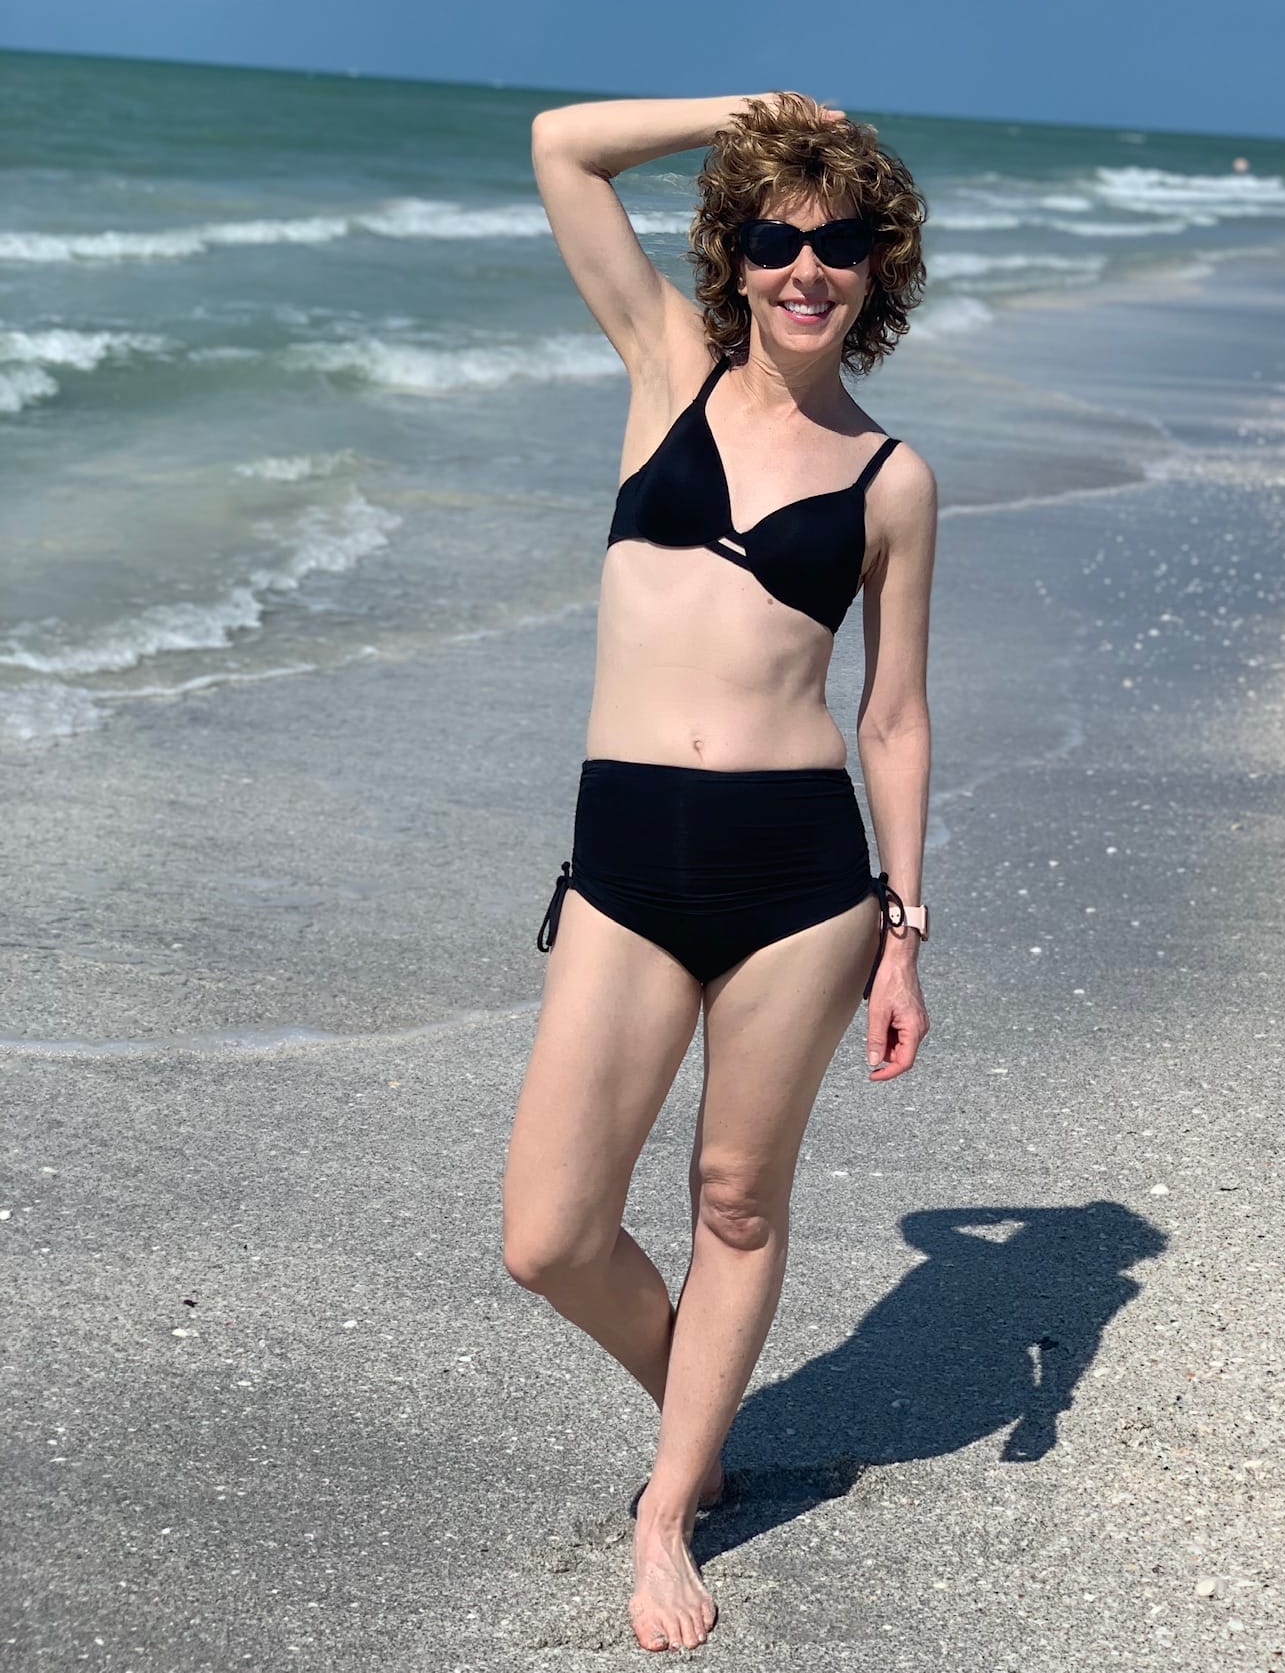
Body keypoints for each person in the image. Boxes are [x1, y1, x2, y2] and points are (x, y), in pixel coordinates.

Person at [501, 90, 937, 1653]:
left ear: (877, 266)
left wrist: (900, 923)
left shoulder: (889, 478)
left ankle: (669, 1503)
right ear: (733, 249)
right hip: (624, 866)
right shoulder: (661, 374)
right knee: (548, 1233)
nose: (803, 266)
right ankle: (704, 1397)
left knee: (737, 1203)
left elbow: (889, 710)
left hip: (800, 884)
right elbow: (561, 144)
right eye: (774, 234)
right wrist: (757, 111)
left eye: (836, 242)